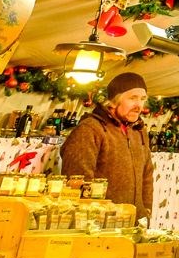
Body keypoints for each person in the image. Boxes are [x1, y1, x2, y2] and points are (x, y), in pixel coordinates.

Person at [60, 73, 154, 218]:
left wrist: (146, 212)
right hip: (98, 224)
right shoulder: (90, 129)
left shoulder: (139, 132)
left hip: (133, 223)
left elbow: (147, 176)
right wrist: (92, 217)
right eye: (132, 98)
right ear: (114, 101)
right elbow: (77, 180)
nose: (139, 106)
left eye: (142, 99)